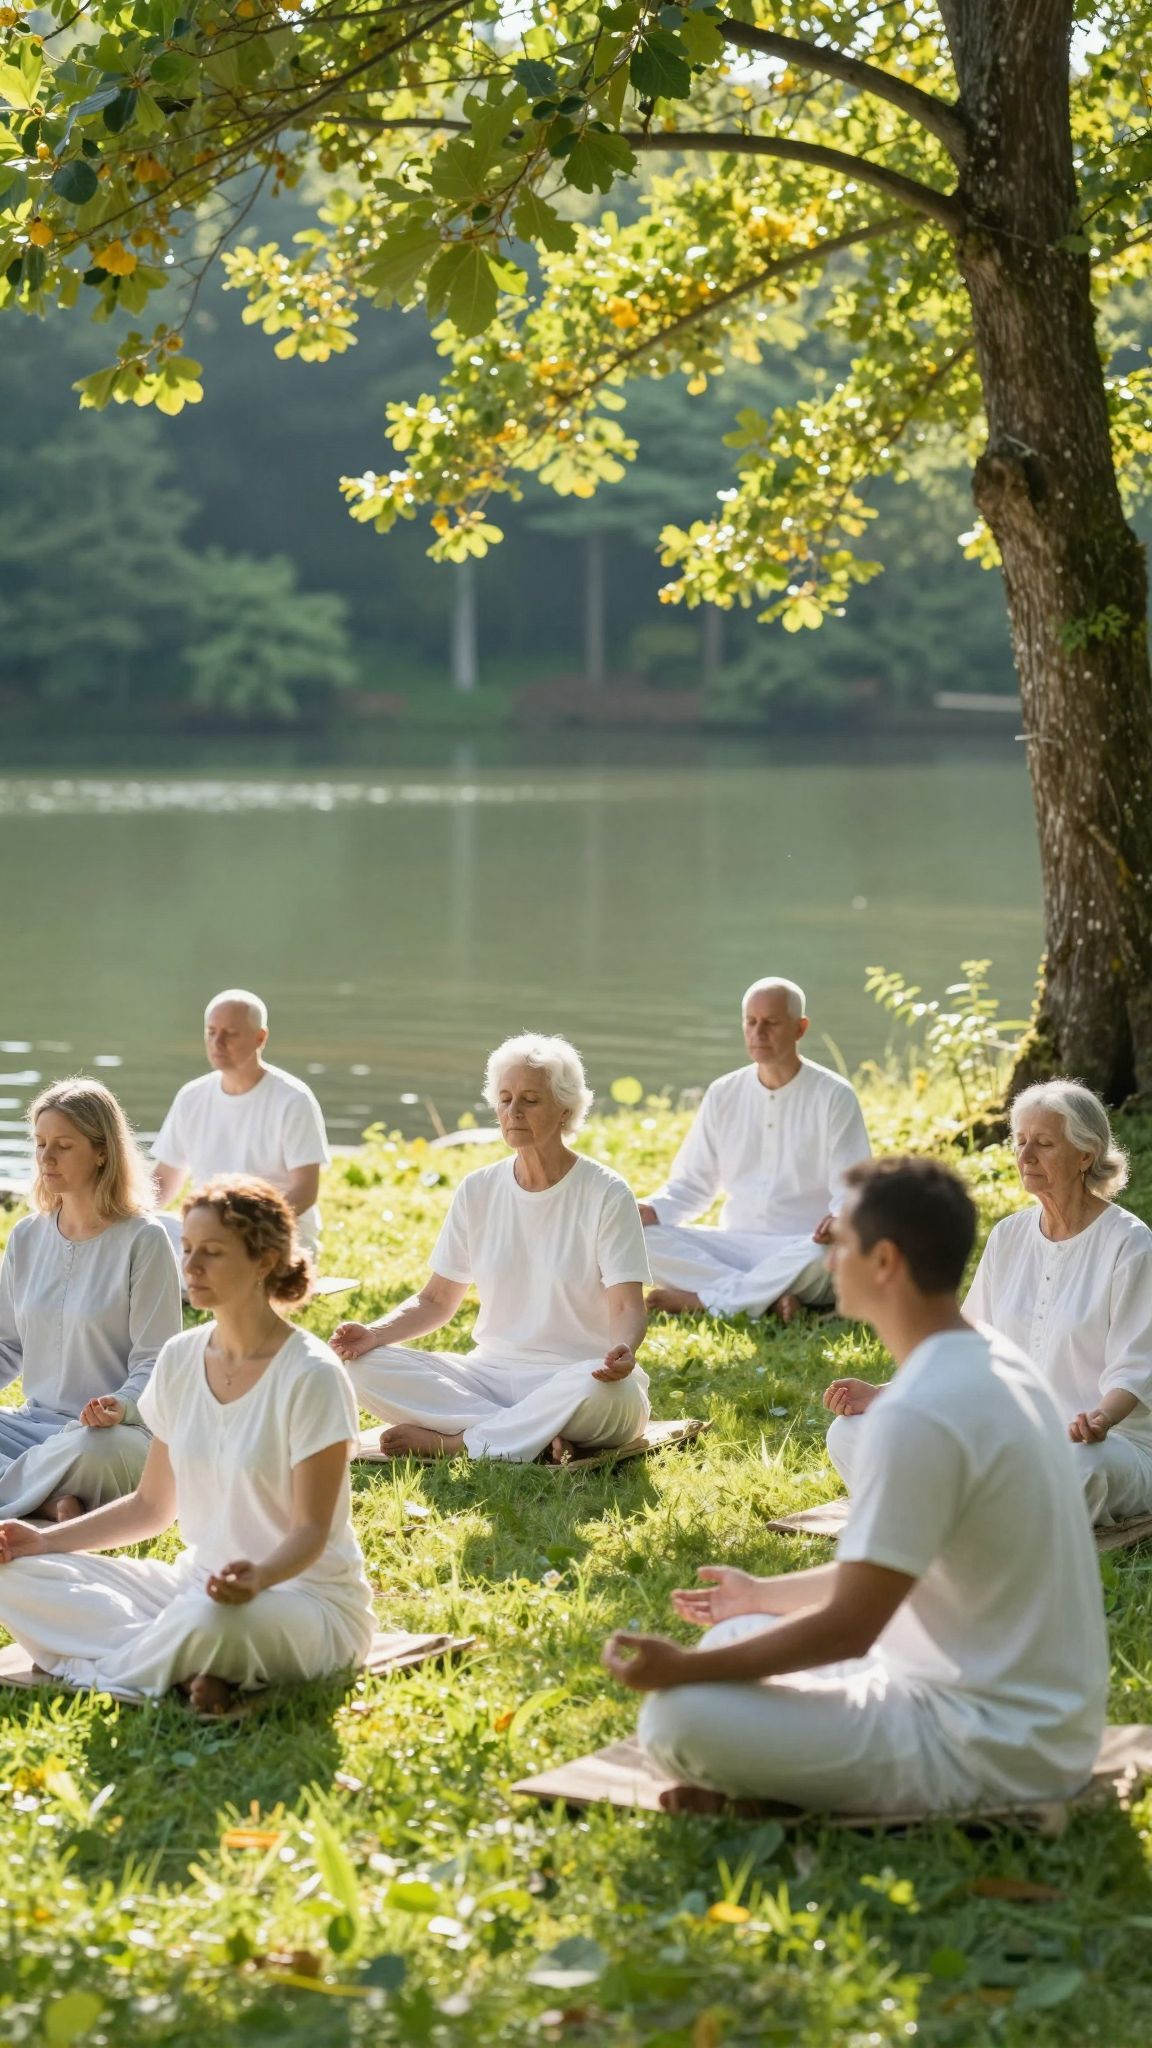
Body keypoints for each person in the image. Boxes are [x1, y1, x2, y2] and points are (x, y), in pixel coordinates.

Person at [603, 1157, 1108, 1816]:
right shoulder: (992, 1357)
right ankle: (785, 1777)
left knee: (675, 1721)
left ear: (886, 1262)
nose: (824, 1251)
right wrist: (761, 1594)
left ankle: (797, 1797)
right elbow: (892, 1575)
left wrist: (680, 1672)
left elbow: (850, 1628)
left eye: (838, 1239)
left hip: (989, 1742)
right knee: (739, 1630)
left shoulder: (918, 1411)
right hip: (1025, 1713)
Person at [0, 1177, 374, 1714]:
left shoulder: (311, 1374)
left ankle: (103, 1667)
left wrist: (260, 1578)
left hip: (301, 1599)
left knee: (208, 1620)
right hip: (193, 1584)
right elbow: (152, 1508)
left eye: (213, 1253)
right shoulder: (179, 1358)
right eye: (189, 1251)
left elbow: (313, 1531)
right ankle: (180, 1666)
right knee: (11, 1569)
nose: (192, 1268)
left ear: (265, 1260)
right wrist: (44, 1543)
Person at [828, 1082, 1152, 1528]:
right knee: (852, 1433)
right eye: (1020, 1141)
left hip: (1106, 1446)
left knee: (1079, 1469)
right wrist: (888, 1393)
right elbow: (964, 1343)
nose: (1025, 1156)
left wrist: (1098, 1420)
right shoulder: (1010, 1235)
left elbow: (1136, 1370)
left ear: (1086, 1155)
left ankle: (951, 1513)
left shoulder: (1129, 1244)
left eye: (1043, 1143)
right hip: (1009, 1437)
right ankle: (983, 1514)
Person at [331, 1033, 651, 1463]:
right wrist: (376, 1333)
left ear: (565, 1110)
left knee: (617, 1396)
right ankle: (530, 1435)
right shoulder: (477, 1189)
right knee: (364, 1368)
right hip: (488, 1374)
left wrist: (624, 1351)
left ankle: (458, 1443)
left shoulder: (606, 1191)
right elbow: (435, 1300)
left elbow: (628, 1306)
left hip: (579, 1377)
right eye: (504, 1099)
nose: (512, 1112)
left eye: (530, 1100)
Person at [0, 1078, 181, 1523]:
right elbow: (6, 1345)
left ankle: (33, 1494)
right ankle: (47, 1501)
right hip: (32, 1427)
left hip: (110, 1434)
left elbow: (157, 1361)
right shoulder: (26, 1236)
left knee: (101, 1451)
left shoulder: (144, 1239)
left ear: (102, 1151)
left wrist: (122, 1405)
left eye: (63, 1145)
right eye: (41, 1143)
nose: (46, 1157)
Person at [639, 978, 871, 1320]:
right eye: (751, 1022)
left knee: (828, 1257)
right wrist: (651, 1210)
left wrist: (839, 1221)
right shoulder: (724, 1093)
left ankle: (706, 1302)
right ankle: (768, 1300)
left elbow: (852, 1192)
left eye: (771, 1023)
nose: (758, 1032)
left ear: (800, 1028)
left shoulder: (834, 1096)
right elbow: (692, 1185)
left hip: (804, 1247)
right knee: (641, 1239)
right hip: (734, 1246)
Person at [151, 989, 330, 1254]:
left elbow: (304, 1190)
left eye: (230, 1033)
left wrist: (249, 1229)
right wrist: (128, 1215)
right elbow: (164, 1178)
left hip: (271, 1235)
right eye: (211, 1032)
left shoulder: (293, 1099)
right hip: (205, 1234)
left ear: (261, 1038)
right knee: (153, 1230)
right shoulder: (191, 1096)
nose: (217, 1042)